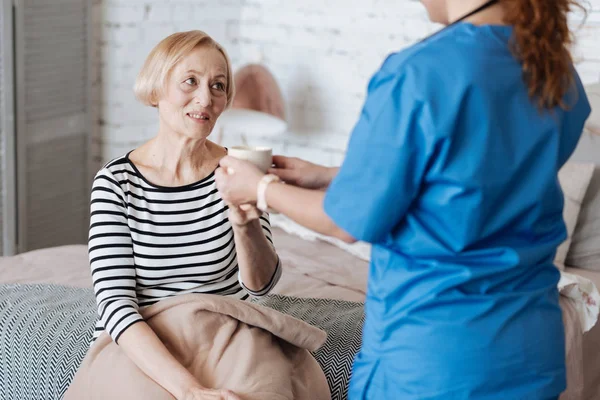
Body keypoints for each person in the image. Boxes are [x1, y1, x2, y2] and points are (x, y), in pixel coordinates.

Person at [215, 0, 591, 398]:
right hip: (531, 349)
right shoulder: (555, 69)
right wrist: (332, 176)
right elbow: (481, 180)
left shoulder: (421, 71)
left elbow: (344, 224)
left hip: (434, 359)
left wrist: (259, 189)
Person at [88, 30, 281, 400]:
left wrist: (245, 223)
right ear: (157, 88)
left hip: (227, 336)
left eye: (218, 85)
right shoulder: (116, 183)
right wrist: (190, 390)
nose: (206, 98)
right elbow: (115, 305)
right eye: (190, 82)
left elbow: (262, 287)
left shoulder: (238, 169)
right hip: (144, 344)